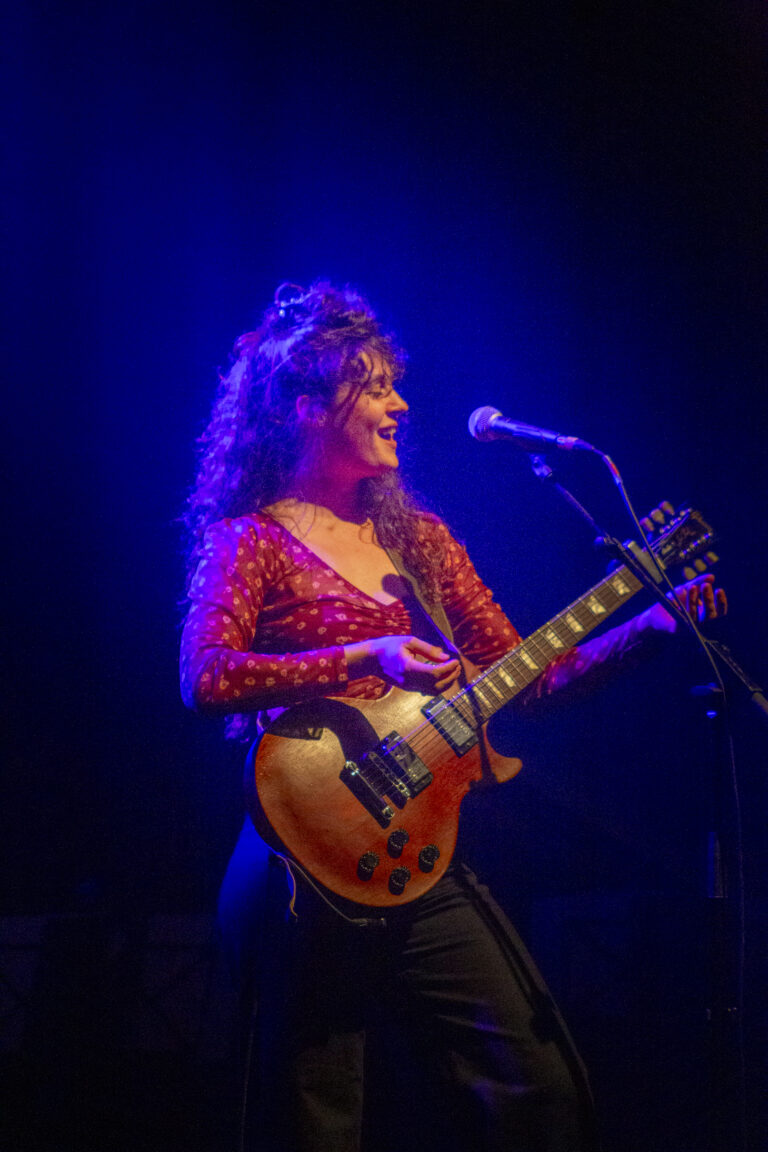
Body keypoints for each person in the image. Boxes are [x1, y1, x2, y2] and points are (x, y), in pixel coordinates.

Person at [180, 281, 726, 1152]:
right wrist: (366, 656)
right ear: (308, 406)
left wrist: (653, 624)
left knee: (537, 1089)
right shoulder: (251, 539)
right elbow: (205, 676)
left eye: (395, 384)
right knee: (314, 1120)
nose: (400, 403)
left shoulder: (422, 542)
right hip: (301, 866)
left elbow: (533, 679)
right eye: (374, 385)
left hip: (416, 857)